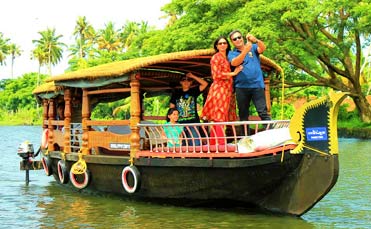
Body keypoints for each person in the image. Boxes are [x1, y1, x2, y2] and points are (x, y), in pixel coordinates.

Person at [201, 36, 243, 145]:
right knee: (219, 117)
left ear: (228, 45)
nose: (223, 45)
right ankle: (220, 144)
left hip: (228, 90)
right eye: (220, 43)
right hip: (219, 89)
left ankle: (214, 144)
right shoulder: (216, 57)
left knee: (221, 117)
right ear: (216, 46)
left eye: (224, 43)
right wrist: (233, 73)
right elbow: (216, 75)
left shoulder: (229, 57)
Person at [228, 30, 271, 121]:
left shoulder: (253, 47)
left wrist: (256, 40)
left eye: (239, 37)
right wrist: (245, 51)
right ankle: (245, 135)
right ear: (232, 42)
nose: (238, 40)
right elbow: (235, 62)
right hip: (241, 87)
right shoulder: (232, 53)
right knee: (243, 114)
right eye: (235, 39)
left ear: (242, 38)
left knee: (263, 112)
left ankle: (271, 133)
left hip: (257, 85)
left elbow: (262, 48)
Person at [169, 72, 208, 146]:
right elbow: (171, 108)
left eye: (188, 80)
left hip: (193, 123)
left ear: (191, 82)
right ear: (180, 82)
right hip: (180, 124)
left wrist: (193, 76)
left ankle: (196, 157)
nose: (186, 82)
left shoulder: (194, 91)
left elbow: (205, 84)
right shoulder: (176, 93)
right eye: (184, 80)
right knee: (181, 144)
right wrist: (172, 122)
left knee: (195, 144)